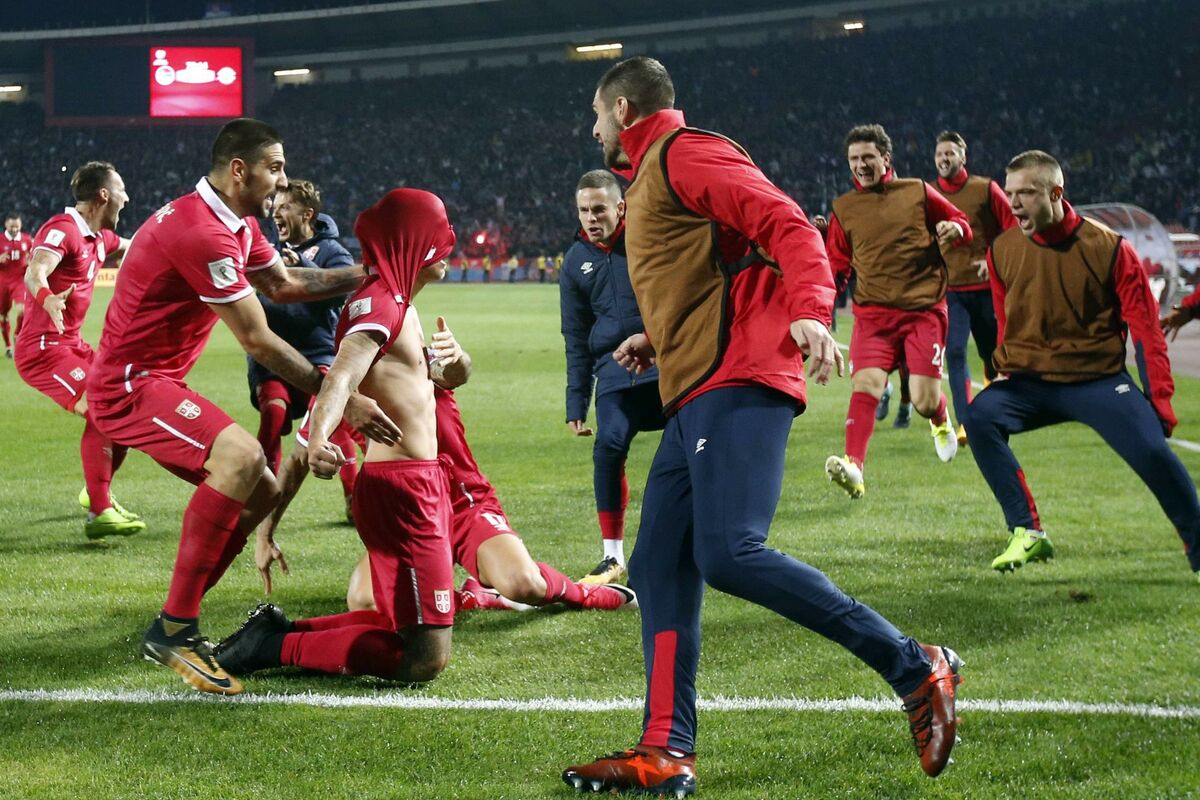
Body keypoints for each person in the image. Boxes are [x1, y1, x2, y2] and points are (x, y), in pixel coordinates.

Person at [561, 57, 962, 797]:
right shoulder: (651, 175)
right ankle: (665, 749)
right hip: (695, 384)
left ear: (621, 109)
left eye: (595, 113)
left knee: (728, 552)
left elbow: (784, 223)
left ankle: (916, 665)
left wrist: (810, 308)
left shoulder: (685, 152)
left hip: (737, 372)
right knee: (657, 564)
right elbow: (713, 269)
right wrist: (658, 339)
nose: (592, 130)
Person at [85, 119, 396, 696]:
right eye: (274, 167)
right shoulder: (202, 232)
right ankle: (174, 630)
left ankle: (178, 610)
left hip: (156, 380)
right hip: (128, 385)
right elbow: (259, 341)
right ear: (239, 170)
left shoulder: (236, 222)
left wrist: (367, 273)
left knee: (265, 491)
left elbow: (283, 284)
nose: (282, 179)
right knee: (243, 458)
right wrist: (341, 397)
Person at [214, 188, 460, 684]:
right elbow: (340, 377)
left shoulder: (396, 301)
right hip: (404, 491)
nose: (449, 244)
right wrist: (319, 438)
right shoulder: (380, 303)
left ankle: (276, 635)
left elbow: (424, 380)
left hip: (416, 482)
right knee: (424, 658)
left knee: (397, 624)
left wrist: (458, 363)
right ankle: (274, 646)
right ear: (415, 242)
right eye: (440, 234)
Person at [964, 150, 1200, 578]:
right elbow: (1006, 321)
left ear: (1056, 193)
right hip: (1032, 384)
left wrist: (1160, 402)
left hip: (1099, 381)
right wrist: (1002, 370)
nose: (1014, 203)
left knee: (1153, 450)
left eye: (1026, 193)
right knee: (980, 417)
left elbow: (1146, 332)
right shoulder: (1002, 250)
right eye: (1010, 193)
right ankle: (1027, 531)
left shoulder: (1110, 248)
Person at [824, 124, 974, 499]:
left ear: (886, 158)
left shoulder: (917, 192)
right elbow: (836, 268)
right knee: (866, 386)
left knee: (923, 400)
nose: (860, 165)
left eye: (868, 157)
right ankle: (854, 468)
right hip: (873, 316)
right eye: (854, 159)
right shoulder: (844, 208)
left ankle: (940, 417)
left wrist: (956, 229)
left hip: (923, 311)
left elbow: (961, 221)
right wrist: (821, 311)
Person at [15, 162, 145, 540]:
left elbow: (138, 245)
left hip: (72, 345)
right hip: (43, 349)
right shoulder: (64, 229)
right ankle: (99, 510)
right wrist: (47, 298)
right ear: (103, 195)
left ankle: (96, 490)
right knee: (103, 404)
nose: (126, 198)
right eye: (121, 190)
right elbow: (35, 271)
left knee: (130, 399)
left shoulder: (99, 238)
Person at [560, 169, 665, 585]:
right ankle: (612, 556)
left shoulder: (648, 239)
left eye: (599, 209)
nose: (591, 217)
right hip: (616, 374)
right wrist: (576, 401)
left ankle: (690, 541)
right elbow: (575, 336)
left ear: (621, 207)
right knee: (608, 447)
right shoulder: (575, 261)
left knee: (691, 451)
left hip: (664, 364)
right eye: (584, 210)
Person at [249, 179, 360, 517]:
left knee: (328, 416)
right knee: (273, 415)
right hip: (273, 358)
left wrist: (302, 267)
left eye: (285, 207)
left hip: (317, 355)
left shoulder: (331, 251)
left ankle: (354, 498)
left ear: (307, 214)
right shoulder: (266, 250)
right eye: (275, 207)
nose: (276, 214)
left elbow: (344, 293)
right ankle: (263, 496)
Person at [930, 131, 1017, 443]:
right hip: (950, 291)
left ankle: (993, 402)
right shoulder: (927, 194)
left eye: (950, 153)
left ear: (963, 157)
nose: (944, 158)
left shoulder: (986, 189)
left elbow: (1013, 228)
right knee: (954, 351)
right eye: (940, 154)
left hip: (986, 288)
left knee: (991, 354)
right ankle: (966, 421)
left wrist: (993, 259)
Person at [1, 212, 33, 358]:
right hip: (2, 282)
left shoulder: (27, 240)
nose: (14, 229)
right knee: (3, 316)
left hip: (19, 281)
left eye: (17, 226)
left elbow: (34, 256)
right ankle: (8, 347)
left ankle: (17, 334)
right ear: (6, 225)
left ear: (20, 225)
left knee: (22, 310)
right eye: (12, 226)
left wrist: (30, 262)